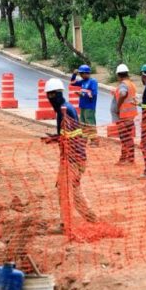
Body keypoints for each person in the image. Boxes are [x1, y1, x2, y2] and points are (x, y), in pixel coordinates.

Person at [43, 78, 98, 224]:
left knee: (67, 190)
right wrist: (55, 138)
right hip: (73, 157)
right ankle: (90, 218)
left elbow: (68, 137)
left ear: (56, 94)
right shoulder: (66, 108)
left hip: (73, 158)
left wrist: (55, 139)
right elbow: (67, 134)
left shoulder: (65, 110)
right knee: (70, 188)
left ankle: (67, 223)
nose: (49, 98)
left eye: (51, 95)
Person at [111, 64, 137, 165]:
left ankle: (129, 159)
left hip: (124, 116)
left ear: (118, 75)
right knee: (126, 137)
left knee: (126, 137)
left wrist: (117, 107)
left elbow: (123, 94)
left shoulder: (123, 84)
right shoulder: (130, 84)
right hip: (130, 115)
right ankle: (124, 158)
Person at [70, 65, 99, 145]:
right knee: (83, 123)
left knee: (90, 123)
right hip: (83, 105)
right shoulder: (82, 81)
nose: (81, 75)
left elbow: (94, 93)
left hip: (89, 106)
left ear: (87, 73)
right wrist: (74, 75)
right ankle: (84, 139)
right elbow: (72, 83)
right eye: (80, 74)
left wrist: (83, 94)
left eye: (82, 74)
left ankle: (94, 140)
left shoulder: (93, 81)